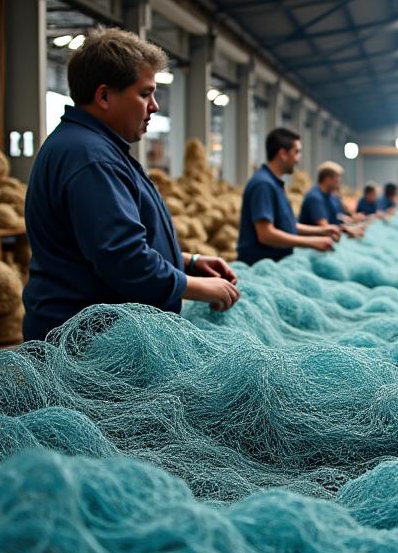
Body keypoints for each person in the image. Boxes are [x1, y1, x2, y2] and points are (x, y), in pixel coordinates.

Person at [22, 27, 238, 342]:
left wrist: (187, 261)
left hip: (106, 337)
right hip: (89, 347)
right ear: (105, 96)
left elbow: (113, 241)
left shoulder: (96, 148)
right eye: (144, 93)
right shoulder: (91, 158)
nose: (154, 106)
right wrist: (196, 288)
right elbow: (123, 258)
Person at [237, 128, 340, 265]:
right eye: (296, 152)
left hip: (276, 263)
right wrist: (311, 242)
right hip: (260, 266)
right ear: (283, 154)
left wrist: (322, 230)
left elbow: (286, 226)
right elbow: (266, 235)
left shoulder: (275, 183)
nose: (298, 159)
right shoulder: (263, 185)